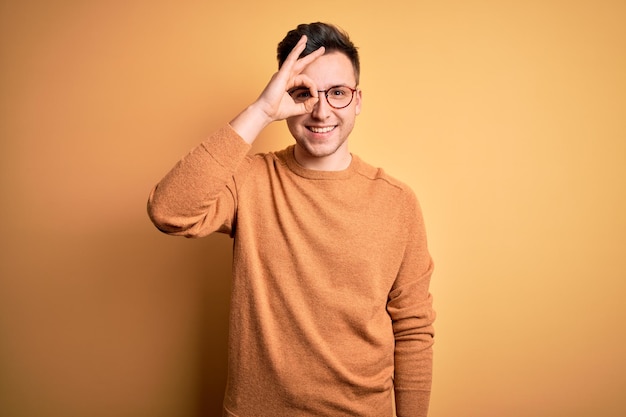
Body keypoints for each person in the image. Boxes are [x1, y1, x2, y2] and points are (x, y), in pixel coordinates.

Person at [148, 22, 435, 417]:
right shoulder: (249, 180)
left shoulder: (397, 202)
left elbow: (414, 328)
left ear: (357, 100)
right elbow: (169, 211)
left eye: (337, 93)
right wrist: (261, 111)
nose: (320, 110)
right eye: (303, 93)